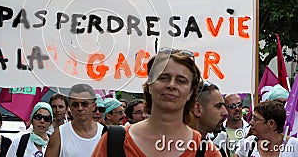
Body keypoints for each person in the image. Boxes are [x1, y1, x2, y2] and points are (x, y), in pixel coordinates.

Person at [92, 47, 221, 156]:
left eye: (181, 80)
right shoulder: (114, 142)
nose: (171, 85)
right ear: (149, 85)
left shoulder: (206, 152)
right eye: (163, 77)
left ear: (191, 92)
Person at [45, 83, 104, 157]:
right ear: (69, 107)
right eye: (75, 104)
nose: (80, 108)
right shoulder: (59, 135)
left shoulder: (104, 133)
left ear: (93, 106)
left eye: (84, 104)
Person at [188, 81, 228, 157]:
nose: (225, 112)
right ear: (197, 109)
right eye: (218, 106)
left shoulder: (216, 152)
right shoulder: (169, 148)